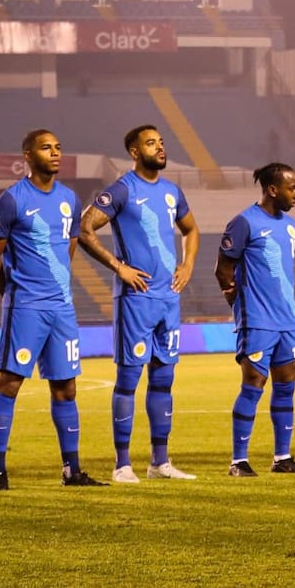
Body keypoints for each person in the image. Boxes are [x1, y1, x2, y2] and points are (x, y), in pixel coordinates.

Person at [0, 129, 105, 490]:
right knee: (10, 383)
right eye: (46, 148)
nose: (54, 153)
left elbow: (68, 249)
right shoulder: (11, 200)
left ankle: (72, 471)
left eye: (58, 148)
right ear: (27, 155)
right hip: (26, 308)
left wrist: (55, 289)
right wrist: (15, 294)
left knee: (66, 388)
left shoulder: (69, 199)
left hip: (61, 309)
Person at [78, 124, 200, 483]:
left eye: (162, 142)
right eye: (151, 143)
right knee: (129, 380)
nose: (160, 148)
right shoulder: (122, 190)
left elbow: (191, 230)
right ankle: (122, 465)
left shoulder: (171, 191)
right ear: (134, 152)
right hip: (136, 299)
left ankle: (160, 463)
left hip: (168, 298)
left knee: (164, 380)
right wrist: (119, 267)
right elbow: (85, 228)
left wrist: (188, 264)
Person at [214, 163, 295, 476]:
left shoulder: (291, 225)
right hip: (258, 322)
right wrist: (237, 302)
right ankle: (238, 461)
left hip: (288, 321)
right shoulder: (244, 222)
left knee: (286, 388)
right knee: (253, 386)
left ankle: (282, 458)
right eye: (291, 188)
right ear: (272, 189)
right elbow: (223, 268)